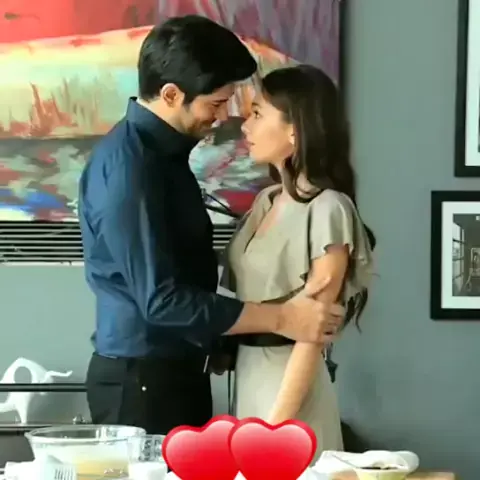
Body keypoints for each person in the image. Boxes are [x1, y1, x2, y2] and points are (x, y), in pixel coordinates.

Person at [78, 16, 345, 435]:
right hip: (144, 384)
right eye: (217, 104)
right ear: (171, 94)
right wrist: (282, 318)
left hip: (175, 375)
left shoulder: (165, 157)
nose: (225, 117)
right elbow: (162, 301)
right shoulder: (134, 169)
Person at [220, 64, 376, 461]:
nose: (245, 126)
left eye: (258, 114)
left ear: (295, 130)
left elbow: (312, 332)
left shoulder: (329, 209)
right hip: (248, 377)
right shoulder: (264, 202)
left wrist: (274, 428)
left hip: (291, 394)